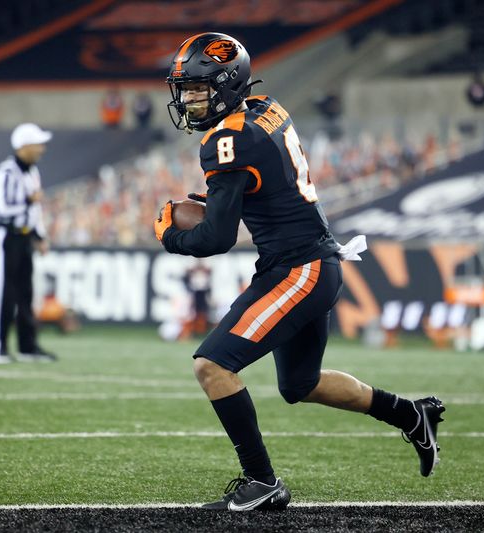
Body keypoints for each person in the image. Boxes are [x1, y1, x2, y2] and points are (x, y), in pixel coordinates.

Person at [154, 32, 445, 511]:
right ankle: (410, 415)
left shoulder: (226, 139)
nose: (187, 101)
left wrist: (170, 233)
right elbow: (268, 185)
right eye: (183, 90)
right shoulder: (265, 107)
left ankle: (262, 480)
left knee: (213, 366)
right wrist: (221, 201)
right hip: (311, 262)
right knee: (299, 384)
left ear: (227, 85)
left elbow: (216, 239)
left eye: (197, 90)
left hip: (299, 270)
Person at [0, 123, 57, 364]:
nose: (42, 149)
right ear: (24, 146)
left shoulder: (32, 172)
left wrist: (39, 236)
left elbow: (35, 212)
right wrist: (28, 199)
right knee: (3, 292)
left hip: (24, 237)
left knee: (26, 293)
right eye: (38, 144)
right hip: (7, 235)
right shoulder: (6, 172)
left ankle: (27, 346)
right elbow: (2, 208)